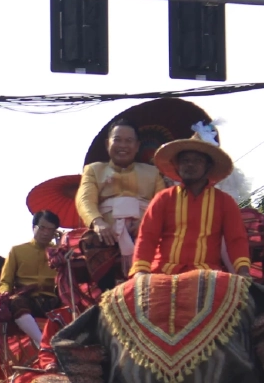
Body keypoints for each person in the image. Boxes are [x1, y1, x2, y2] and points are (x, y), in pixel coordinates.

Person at [130, 130, 251, 278]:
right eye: (185, 160)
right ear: (177, 166)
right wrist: (141, 271)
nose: (190, 164)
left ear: (208, 166)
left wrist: (243, 271)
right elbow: (148, 237)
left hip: (207, 274)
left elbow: (236, 239)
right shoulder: (163, 198)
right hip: (163, 273)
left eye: (197, 160)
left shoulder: (225, 201)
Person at [74, 118, 166, 271]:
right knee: (90, 242)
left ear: (137, 146)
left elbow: (162, 204)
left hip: (146, 231)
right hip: (107, 234)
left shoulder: (153, 172)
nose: (123, 145)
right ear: (107, 144)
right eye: (117, 140)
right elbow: (85, 199)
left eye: (129, 141)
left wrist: (145, 223)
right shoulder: (94, 170)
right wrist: (98, 222)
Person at [0, 210, 65, 349]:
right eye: (42, 228)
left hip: (52, 299)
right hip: (26, 298)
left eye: (51, 230)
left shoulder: (59, 253)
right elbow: (5, 281)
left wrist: (62, 248)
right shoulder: (17, 251)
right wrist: (4, 293)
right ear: (33, 227)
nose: (46, 233)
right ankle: (43, 344)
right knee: (16, 302)